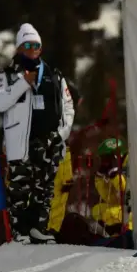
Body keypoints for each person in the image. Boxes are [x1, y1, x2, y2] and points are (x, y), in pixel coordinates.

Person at [0, 23, 75, 244]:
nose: (31, 49)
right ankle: (20, 231)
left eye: (36, 45)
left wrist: (61, 133)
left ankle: (39, 227)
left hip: (49, 140)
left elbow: (68, 106)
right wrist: (22, 84)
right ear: (19, 48)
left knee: (45, 186)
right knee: (19, 186)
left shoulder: (54, 75)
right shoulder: (8, 76)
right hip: (21, 141)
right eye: (27, 45)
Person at [47, 79, 81, 237]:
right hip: (55, 153)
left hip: (61, 153)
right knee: (55, 195)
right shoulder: (58, 114)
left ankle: (53, 229)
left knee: (60, 195)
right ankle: (50, 230)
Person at [92, 138, 133, 246]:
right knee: (97, 210)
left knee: (110, 214)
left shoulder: (130, 163)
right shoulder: (114, 168)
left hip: (133, 208)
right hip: (121, 207)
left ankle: (124, 233)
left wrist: (116, 176)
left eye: (106, 159)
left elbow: (125, 192)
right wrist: (100, 178)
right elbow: (109, 198)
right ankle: (115, 234)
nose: (105, 163)